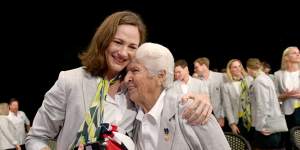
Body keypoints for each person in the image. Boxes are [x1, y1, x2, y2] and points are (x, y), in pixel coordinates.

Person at [26, 11, 212, 150]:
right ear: (104, 41)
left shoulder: (135, 88)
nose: (123, 53)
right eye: (118, 42)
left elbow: (166, 90)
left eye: (132, 46)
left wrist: (199, 97)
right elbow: (36, 137)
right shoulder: (70, 81)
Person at [125, 42, 230, 150]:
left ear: (161, 76)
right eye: (127, 72)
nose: (126, 79)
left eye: (135, 70)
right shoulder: (135, 115)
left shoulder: (193, 111)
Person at [247, 58, 287, 149]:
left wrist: (261, 126)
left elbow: (263, 105)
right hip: (271, 122)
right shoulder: (265, 78)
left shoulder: (259, 81)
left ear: (248, 69)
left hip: (266, 126)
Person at [274, 46, 300, 149]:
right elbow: (275, 97)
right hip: (286, 111)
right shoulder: (278, 74)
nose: (298, 54)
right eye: (294, 53)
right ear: (286, 57)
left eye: (298, 52)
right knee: (288, 139)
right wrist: (284, 96)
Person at [222, 59, 254, 142]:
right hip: (239, 120)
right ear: (230, 70)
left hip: (253, 118)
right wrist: (232, 124)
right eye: (235, 67)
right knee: (243, 143)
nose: (238, 69)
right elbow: (227, 106)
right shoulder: (226, 86)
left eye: (239, 66)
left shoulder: (249, 80)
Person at [193, 57, 226, 128]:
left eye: (196, 67)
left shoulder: (220, 77)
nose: (194, 70)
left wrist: (222, 116)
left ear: (204, 66)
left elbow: (224, 99)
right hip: (204, 117)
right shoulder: (196, 80)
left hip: (219, 115)